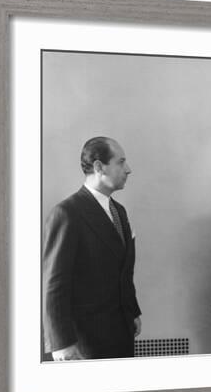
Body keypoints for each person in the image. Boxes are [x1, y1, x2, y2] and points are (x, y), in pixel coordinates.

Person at [43, 137, 142, 361]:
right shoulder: (67, 213)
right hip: (86, 343)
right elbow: (53, 285)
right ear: (99, 167)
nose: (128, 169)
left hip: (122, 333)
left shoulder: (119, 211)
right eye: (121, 162)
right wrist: (62, 344)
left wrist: (132, 311)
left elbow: (123, 270)